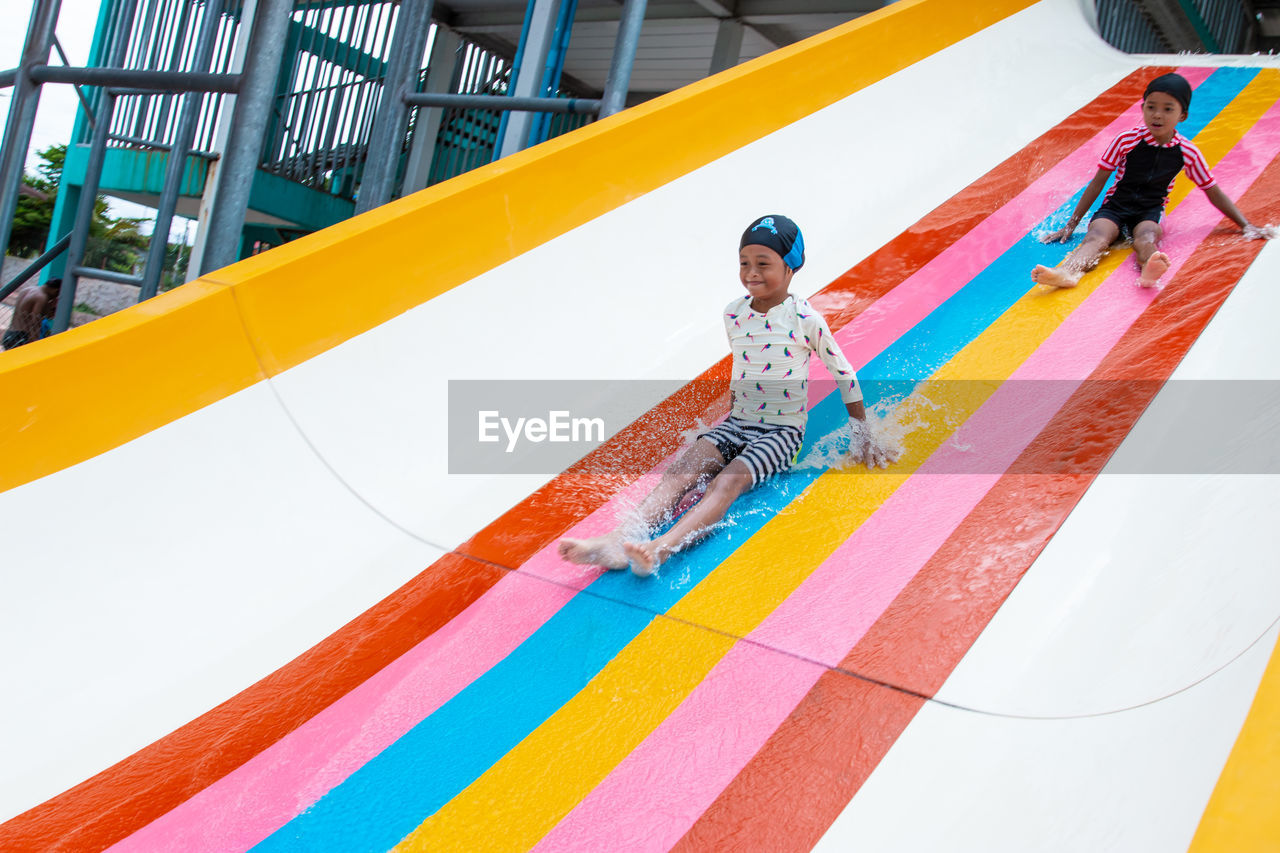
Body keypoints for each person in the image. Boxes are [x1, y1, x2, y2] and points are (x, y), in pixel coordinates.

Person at [559, 215, 898, 577]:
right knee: (679, 474)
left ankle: (659, 550)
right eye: (744, 263)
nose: (751, 272)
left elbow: (843, 373)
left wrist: (863, 433)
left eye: (763, 264)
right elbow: (743, 366)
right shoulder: (734, 314)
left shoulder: (804, 319)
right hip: (738, 423)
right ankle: (617, 541)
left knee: (726, 483)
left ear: (791, 267)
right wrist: (727, 429)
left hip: (781, 433)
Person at [1032, 73, 1268, 289]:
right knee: (1097, 236)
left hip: (1151, 210)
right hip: (1116, 205)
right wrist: (1072, 224)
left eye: (1168, 109)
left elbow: (1213, 191)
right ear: (1142, 108)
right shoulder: (1126, 140)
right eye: (1151, 107)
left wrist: (1245, 224)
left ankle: (1149, 271)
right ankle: (1068, 273)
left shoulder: (1187, 152)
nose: (1157, 114)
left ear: (1182, 115)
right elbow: (1098, 182)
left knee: (1146, 237)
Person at [2, 277, 61, 350]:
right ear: (56, 291)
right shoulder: (42, 297)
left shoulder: (27, 290)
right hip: (21, 337)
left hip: (10, 333)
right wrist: (34, 345)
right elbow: (35, 323)